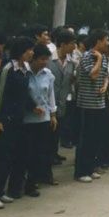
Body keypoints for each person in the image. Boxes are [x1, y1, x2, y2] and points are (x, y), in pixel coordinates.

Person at [0, 37, 35, 208]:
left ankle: (0, 191)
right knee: (1, 157)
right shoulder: (8, 68)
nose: (31, 53)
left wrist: (34, 106)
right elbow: (0, 94)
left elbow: (24, 93)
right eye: (29, 50)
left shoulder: (25, 69)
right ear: (21, 51)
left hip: (19, 119)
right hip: (5, 120)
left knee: (11, 157)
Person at [9, 44, 58, 197]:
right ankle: (16, 187)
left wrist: (53, 114)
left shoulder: (48, 74)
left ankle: (31, 184)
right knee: (23, 155)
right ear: (33, 59)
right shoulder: (24, 73)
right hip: (26, 120)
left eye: (46, 59)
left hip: (43, 119)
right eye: (42, 59)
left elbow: (50, 95)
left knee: (38, 154)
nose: (45, 62)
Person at [74, 29, 109, 183]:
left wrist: (105, 86)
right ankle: (81, 171)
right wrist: (99, 59)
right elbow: (93, 75)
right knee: (86, 139)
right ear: (98, 41)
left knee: (95, 138)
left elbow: (105, 76)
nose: (108, 43)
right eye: (106, 40)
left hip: (99, 103)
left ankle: (90, 168)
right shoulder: (87, 57)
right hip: (86, 104)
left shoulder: (105, 57)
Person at [46, 29, 76, 159]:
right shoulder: (48, 59)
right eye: (72, 43)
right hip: (48, 102)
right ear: (63, 44)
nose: (74, 46)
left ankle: (54, 153)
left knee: (58, 129)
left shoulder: (71, 62)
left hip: (62, 102)